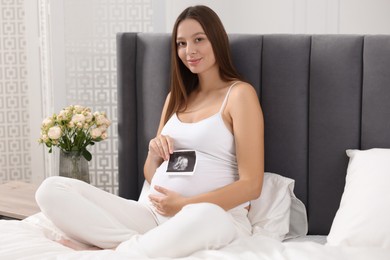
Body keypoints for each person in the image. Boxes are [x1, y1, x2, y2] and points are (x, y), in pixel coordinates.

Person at [35, 5, 264, 258]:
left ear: (217, 40)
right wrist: (153, 153)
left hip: (211, 217)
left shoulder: (239, 95)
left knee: (208, 216)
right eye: (181, 43)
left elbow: (251, 185)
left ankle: (115, 249)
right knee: (50, 189)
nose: (190, 51)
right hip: (152, 214)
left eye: (199, 39)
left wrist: (184, 205)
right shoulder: (175, 99)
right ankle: (131, 245)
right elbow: (151, 174)